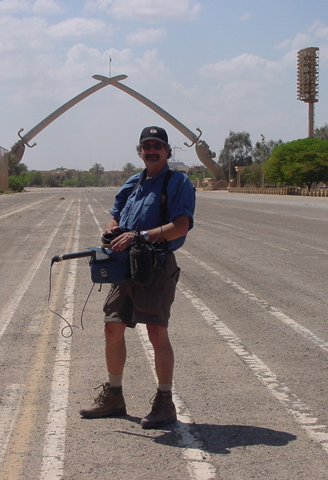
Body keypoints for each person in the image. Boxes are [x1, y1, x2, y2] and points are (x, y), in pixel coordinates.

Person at [80, 126, 196, 429]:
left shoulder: (178, 182)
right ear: (140, 151)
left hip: (155, 266)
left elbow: (181, 225)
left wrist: (140, 235)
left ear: (168, 152)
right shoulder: (133, 183)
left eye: (158, 146)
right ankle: (114, 396)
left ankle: (164, 402)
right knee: (112, 328)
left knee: (157, 332)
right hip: (124, 265)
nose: (152, 151)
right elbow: (115, 214)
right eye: (146, 146)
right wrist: (111, 228)